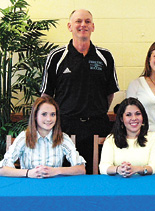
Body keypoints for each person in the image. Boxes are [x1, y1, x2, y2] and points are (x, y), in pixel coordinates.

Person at [40, 9, 120, 174]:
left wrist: (95, 111)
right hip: (65, 128)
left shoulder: (105, 56)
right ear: (69, 26)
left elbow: (109, 93)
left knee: (96, 176)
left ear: (93, 27)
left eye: (87, 21)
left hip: (97, 127)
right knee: (64, 177)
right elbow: (46, 97)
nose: (83, 25)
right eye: (78, 21)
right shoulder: (56, 56)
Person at [0, 96, 86, 178]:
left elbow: (81, 169)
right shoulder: (24, 137)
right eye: (44, 114)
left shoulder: (63, 138)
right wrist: (28, 173)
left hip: (55, 186)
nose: (49, 119)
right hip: (29, 186)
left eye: (53, 114)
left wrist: (56, 171)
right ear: (35, 116)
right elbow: (2, 169)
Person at [99, 98, 155, 177]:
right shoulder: (111, 139)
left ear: (143, 117)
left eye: (138, 114)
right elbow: (103, 167)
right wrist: (118, 169)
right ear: (122, 119)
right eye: (128, 115)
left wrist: (138, 169)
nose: (134, 118)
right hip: (117, 184)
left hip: (146, 184)